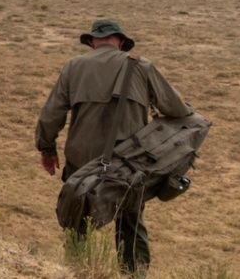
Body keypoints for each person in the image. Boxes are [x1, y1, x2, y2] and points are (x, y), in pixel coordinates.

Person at [35, 19, 193, 276]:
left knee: (77, 223)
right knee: (130, 223)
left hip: (81, 163)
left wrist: (47, 149)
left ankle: (76, 271)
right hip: (128, 164)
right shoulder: (142, 67)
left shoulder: (74, 67)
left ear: (93, 42)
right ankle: (133, 274)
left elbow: (51, 114)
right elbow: (176, 109)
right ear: (120, 42)